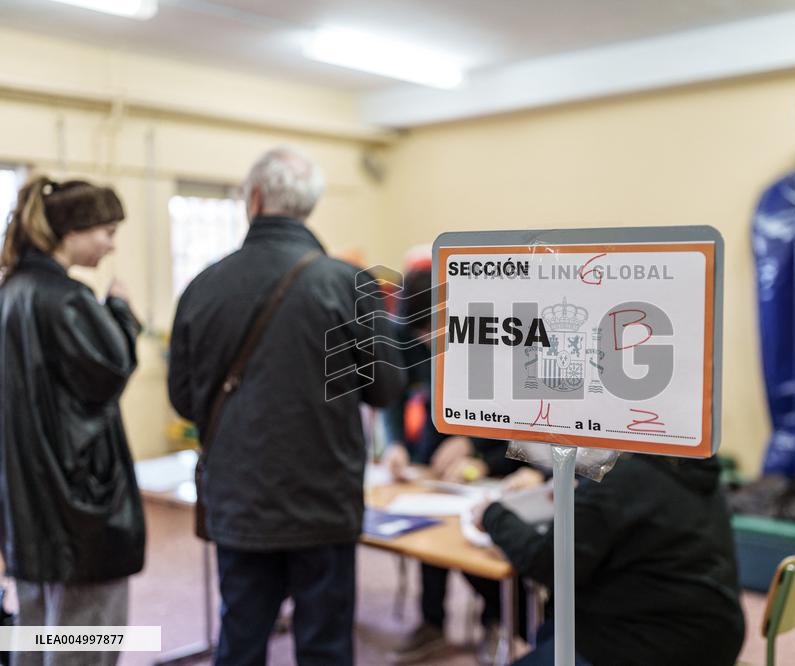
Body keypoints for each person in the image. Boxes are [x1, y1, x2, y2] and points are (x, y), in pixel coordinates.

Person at [168, 146, 403, 665]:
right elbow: (386, 389)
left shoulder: (203, 286)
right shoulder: (349, 284)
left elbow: (184, 400)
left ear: (253, 199)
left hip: (240, 497)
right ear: (310, 206)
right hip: (324, 500)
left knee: (242, 637)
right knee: (324, 645)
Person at [0, 176, 145, 666]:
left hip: (26, 501)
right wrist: (122, 312)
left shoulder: (11, 291)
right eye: (104, 230)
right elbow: (111, 370)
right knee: (86, 640)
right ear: (71, 231)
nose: (111, 243)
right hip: (78, 507)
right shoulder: (66, 299)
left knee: (36, 634)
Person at [381, 266, 541, 663]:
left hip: (497, 451)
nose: (424, 343)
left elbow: (518, 414)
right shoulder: (404, 332)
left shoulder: (492, 335)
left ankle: (496, 619)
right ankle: (432, 622)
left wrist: (475, 446)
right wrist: (396, 443)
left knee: (483, 546)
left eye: (431, 335)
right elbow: (395, 395)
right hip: (438, 444)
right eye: (417, 336)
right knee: (431, 534)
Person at [474, 454, 746, 666]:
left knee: (553, 631)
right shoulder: (686, 463)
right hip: (713, 634)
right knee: (550, 631)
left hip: (647, 645)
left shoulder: (622, 475)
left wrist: (492, 515)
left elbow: (548, 563)